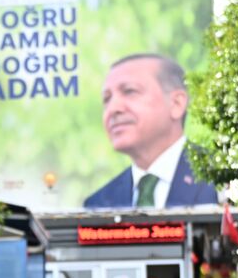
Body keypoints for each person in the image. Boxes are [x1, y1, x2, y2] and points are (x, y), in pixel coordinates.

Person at [84, 54, 219, 209]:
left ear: (177, 103)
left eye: (129, 91)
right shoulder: (98, 204)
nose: (113, 108)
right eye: (106, 99)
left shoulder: (224, 179)